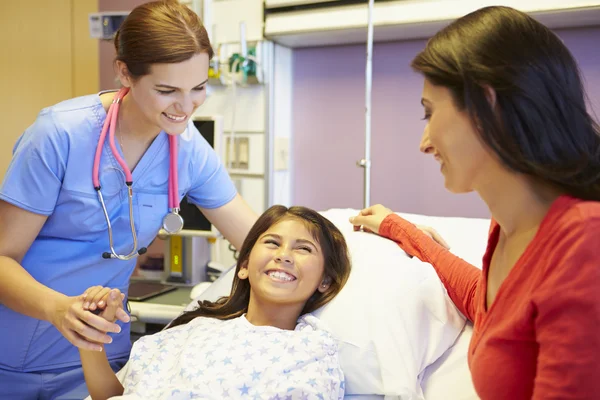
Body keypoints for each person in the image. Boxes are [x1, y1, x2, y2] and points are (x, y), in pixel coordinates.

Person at [0, 1, 257, 398]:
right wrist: (57, 309)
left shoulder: (187, 149)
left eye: (198, 88)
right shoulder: (59, 135)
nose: (186, 107)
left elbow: (255, 240)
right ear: (124, 72)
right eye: (167, 90)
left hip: (102, 357)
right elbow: (2, 258)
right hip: (13, 355)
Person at [350, 6, 600, 400]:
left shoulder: (584, 243)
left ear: (488, 106)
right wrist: (397, 228)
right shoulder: (510, 228)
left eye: (430, 114)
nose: (425, 142)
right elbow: (483, 302)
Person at [79, 205, 351, 400]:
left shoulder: (310, 352)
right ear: (244, 266)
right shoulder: (192, 331)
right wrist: (92, 339)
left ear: (324, 282)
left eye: (303, 248)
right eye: (272, 242)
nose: (284, 255)